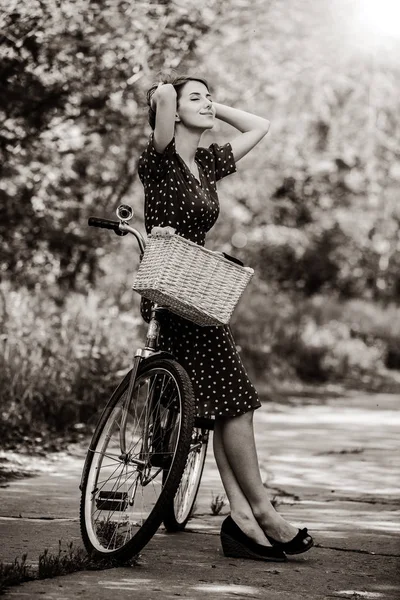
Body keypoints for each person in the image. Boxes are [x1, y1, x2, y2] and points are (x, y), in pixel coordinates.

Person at [138, 74, 313, 562]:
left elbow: (260, 124)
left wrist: (214, 107)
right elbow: (165, 99)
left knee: (228, 403)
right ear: (171, 113)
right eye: (197, 97)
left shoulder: (209, 163)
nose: (208, 102)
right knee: (236, 398)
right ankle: (261, 513)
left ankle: (242, 515)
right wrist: (162, 89)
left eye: (209, 95)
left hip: (200, 292)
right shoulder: (160, 158)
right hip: (170, 294)